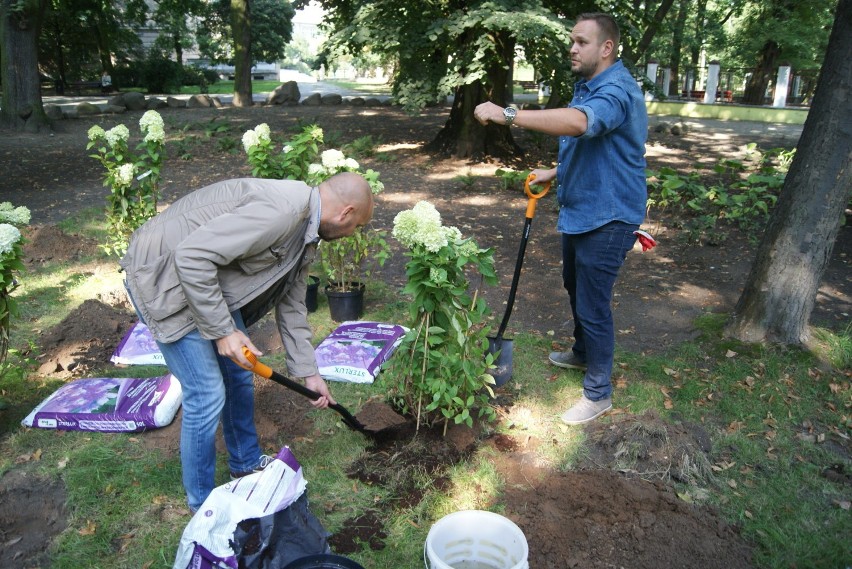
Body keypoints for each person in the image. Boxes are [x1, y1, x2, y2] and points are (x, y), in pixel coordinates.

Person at [120, 172, 374, 512]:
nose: (351, 234)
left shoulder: (305, 231)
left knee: (238, 374)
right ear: (345, 213)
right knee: (206, 393)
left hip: (204, 280)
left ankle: (245, 462)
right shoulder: (282, 212)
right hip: (163, 277)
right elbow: (192, 257)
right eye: (357, 226)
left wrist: (309, 373)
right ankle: (202, 505)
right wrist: (224, 331)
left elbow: (294, 305)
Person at [474, 12, 647, 425]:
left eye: (582, 42)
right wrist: (556, 172)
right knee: (575, 286)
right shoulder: (588, 86)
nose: (572, 47)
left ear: (606, 48)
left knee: (593, 302)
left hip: (609, 216)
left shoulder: (616, 90)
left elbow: (580, 124)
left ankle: (598, 392)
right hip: (584, 209)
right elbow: (592, 146)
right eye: (572, 40)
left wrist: (508, 114)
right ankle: (583, 353)